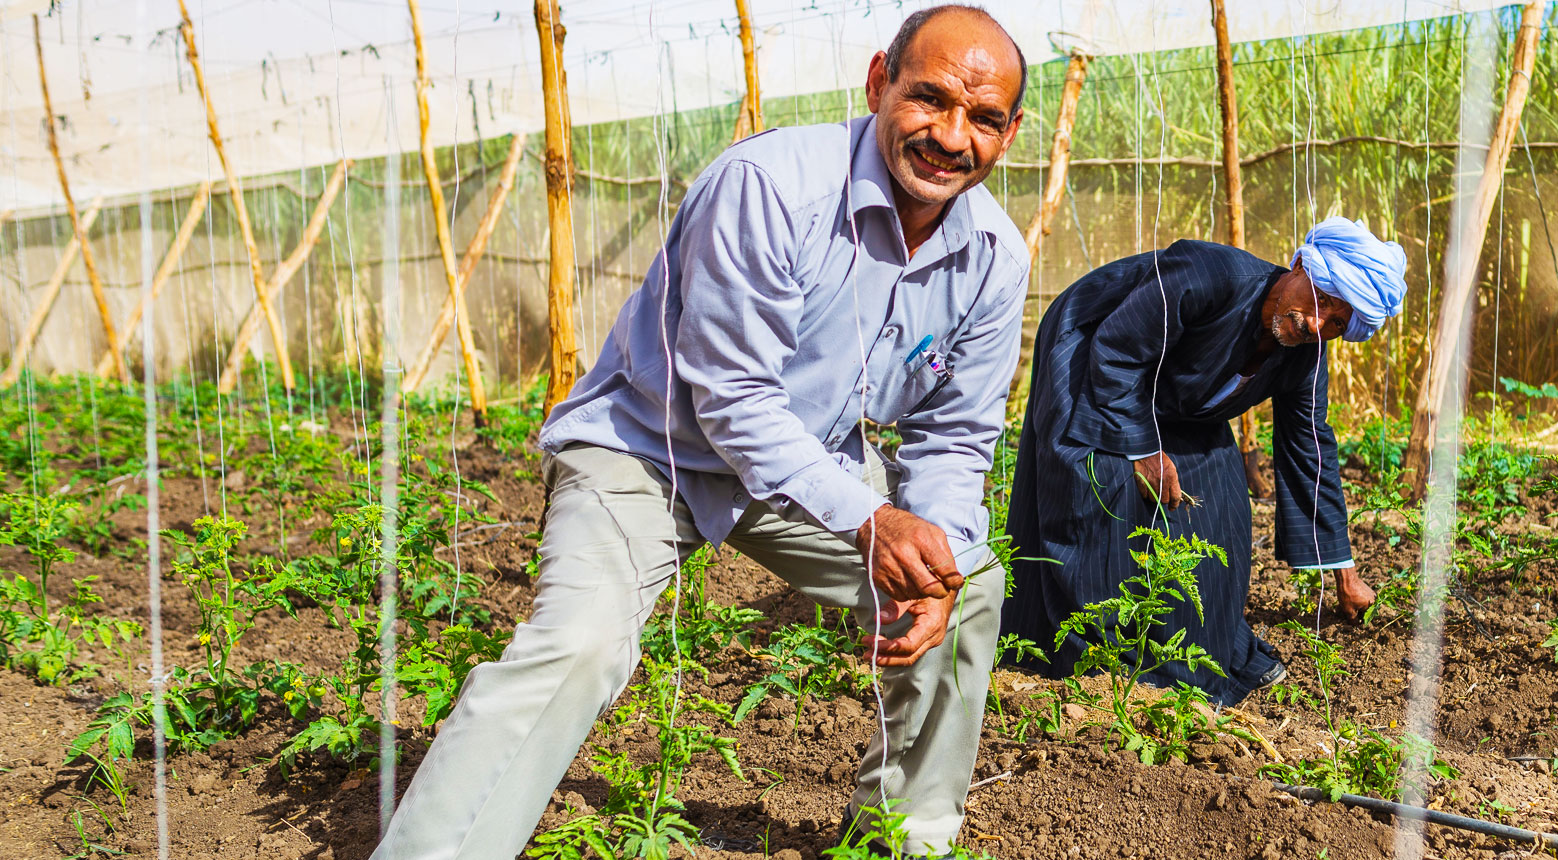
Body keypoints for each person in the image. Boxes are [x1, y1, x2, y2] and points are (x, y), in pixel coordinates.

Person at [370, 7, 1027, 859]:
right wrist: (871, 520)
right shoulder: (772, 186)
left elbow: (954, 436)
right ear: (878, 83)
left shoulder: (994, 257)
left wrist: (930, 563)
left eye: (982, 118)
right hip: (648, 449)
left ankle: (904, 842)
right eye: (929, 98)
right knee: (580, 645)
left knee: (963, 581)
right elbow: (733, 397)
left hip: (803, 464)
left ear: (1009, 134)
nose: (951, 136)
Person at [999, 218, 1409, 706]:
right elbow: (1119, 350)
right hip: (1093, 354)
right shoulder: (1209, 274)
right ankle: (1095, 660)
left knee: (1222, 508)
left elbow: (1310, 447)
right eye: (1323, 299)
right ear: (1300, 266)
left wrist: (1344, 573)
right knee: (1101, 485)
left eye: (1339, 323)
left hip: (1177, 396)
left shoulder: (1307, 353)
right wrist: (1144, 449)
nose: (1318, 324)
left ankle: (1198, 657)